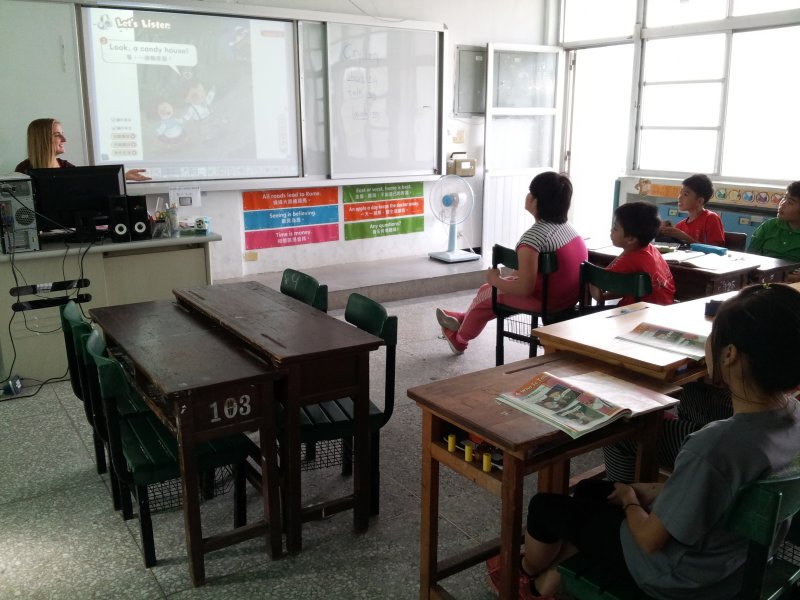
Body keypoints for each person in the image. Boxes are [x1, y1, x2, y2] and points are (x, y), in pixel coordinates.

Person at [503, 284, 800, 600]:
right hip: (736, 564)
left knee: (545, 507)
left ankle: (527, 573)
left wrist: (631, 499)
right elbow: (718, 495)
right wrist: (654, 491)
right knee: (591, 492)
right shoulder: (793, 417)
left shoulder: (713, 447)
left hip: (674, 575)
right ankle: (549, 580)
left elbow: (648, 540)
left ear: (729, 355)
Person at [435, 171, 587, 355]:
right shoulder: (570, 229)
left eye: (531, 192)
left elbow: (524, 289)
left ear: (537, 202)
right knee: (489, 291)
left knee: (487, 293)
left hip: (548, 302)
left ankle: (459, 339)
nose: (528, 195)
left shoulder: (533, 238)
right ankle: (462, 319)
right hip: (567, 299)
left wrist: (494, 279)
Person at [591, 201, 675, 306]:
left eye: (615, 228)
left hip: (638, 311)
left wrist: (591, 277)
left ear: (631, 239)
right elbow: (625, 285)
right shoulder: (650, 249)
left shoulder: (630, 260)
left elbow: (602, 285)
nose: (611, 230)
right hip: (663, 306)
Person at [14, 118, 150, 181]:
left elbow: (91, 181)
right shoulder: (22, 171)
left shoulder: (65, 167)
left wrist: (124, 176)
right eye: (57, 135)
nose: (64, 139)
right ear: (42, 139)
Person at [748, 181, 800, 283]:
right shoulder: (768, 226)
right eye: (784, 198)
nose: (782, 204)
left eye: (790, 202)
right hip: (763, 281)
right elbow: (750, 259)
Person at [658, 174, 725, 246]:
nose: (679, 197)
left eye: (685, 194)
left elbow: (716, 248)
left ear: (699, 201)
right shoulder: (680, 225)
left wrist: (685, 237)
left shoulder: (711, 218)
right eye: (680, 193)